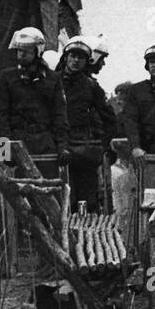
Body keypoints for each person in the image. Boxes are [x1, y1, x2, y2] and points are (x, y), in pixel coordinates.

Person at [0, 26, 68, 171]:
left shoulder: (53, 79)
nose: (21, 54)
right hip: (16, 144)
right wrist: (4, 151)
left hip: (45, 145)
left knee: (52, 189)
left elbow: (60, 116)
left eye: (26, 50)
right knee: (14, 190)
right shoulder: (6, 78)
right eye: (19, 50)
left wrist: (62, 147)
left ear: (37, 51)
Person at [60, 35, 110, 211]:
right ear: (66, 57)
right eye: (72, 56)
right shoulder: (51, 82)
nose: (75, 60)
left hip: (83, 148)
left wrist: (105, 146)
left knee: (88, 200)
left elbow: (108, 117)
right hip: (58, 147)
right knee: (63, 199)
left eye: (80, 57)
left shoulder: (91, 86)